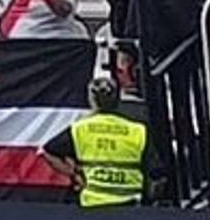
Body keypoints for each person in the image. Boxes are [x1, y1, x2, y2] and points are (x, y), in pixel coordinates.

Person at [52, 71, 151, 208]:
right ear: (118, 100)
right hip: (130, 203)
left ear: (91, 99)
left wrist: (74, 174)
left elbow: (46, 152)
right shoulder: (137, 130)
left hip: (92, 203)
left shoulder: (80, 128)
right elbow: (155, 170)